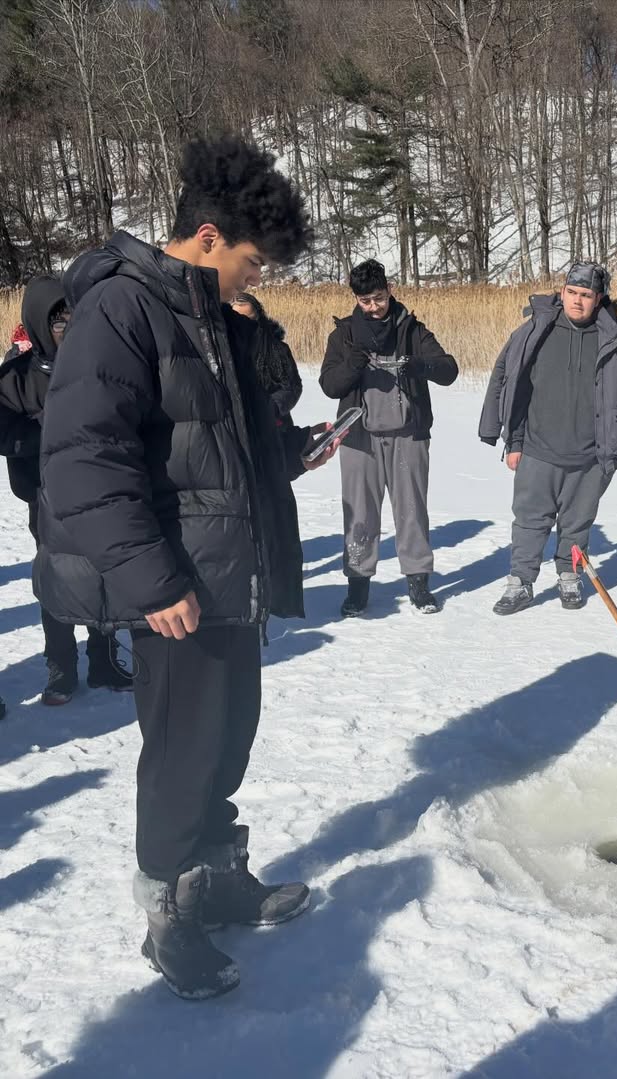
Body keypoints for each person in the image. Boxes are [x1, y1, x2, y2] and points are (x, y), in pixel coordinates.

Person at [34, 134, 341, 1000]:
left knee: (227, 738)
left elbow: (217, 445)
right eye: (252, 261)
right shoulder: (122, 309)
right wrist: (152, 578)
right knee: (181, 754)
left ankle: (217, 877)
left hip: (227, 577)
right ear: (209, 238)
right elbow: (83, 459)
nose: (256, 278)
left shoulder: (211, 319)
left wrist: (288, 450)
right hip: (175, 586)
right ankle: (167, 911)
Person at [479, 262, 617, 614]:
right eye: (572, 292)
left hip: (591, 454)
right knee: (530, 520)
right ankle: (520, 581)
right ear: (562, 292)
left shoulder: (616, 338)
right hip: (538, 449)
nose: (577, 301)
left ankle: (569, 575)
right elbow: (507, 379)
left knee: (578, 522)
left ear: (599, 298)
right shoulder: (536, 329)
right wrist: (510, 440)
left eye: (586, 295)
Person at [0, 279, 133, 704]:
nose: (67, 329)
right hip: (45, 498)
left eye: (74, 319)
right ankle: (60, 668)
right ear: (40, 325)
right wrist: (50, 435)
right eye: (58, 322)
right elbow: (5, 433)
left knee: (104, 575)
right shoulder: (17, 377)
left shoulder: (98, 363)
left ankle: (104, 659)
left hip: (99, 491)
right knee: (56, 581)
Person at [319, 258, 458, 617]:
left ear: (390, 290)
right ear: (356, 298)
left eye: (379, 298)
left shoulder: (411, 329)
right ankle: (358, 585)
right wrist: (353, 363)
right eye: (365, 300)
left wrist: (419, 365)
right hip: (358, 439)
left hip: (408, 436)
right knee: (360, 514)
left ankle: (418, 582)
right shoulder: (344, 334)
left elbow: (449, 370)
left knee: (411, 511)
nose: (373, 307)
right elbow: (329, 385)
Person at [230, 291, 303, 422]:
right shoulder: (224, 349)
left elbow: (291, 386)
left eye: (249, 319)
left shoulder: (276, 348)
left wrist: (271, 408)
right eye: (237, 319)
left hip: (273, 422)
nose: (244, 324)